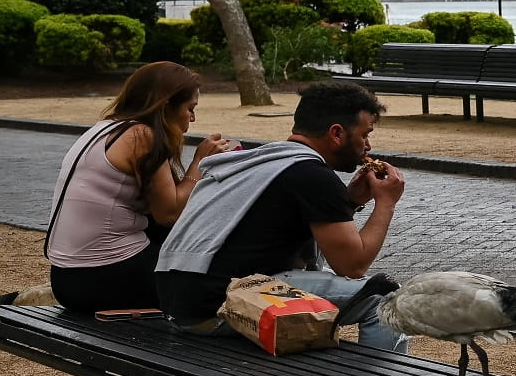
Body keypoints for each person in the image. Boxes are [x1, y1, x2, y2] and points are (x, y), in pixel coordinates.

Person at [155, 80, 408, 352]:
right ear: (337, 133)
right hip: (224, 306)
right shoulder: (312, 175)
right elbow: (352, 266)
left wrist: (350, 201)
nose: (367, 146)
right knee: (387, 300)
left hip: (182, 304)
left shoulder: (268, 161)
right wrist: (386, 203)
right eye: (364, 134)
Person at [45, 61, 238, 314]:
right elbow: (169, 213)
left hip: (65, 278)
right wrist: (200, 162)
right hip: (102, 276)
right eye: (190, 108)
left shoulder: (105, 127)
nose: (192, 117)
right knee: (218, 289)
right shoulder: (143, 136)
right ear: (166, 105)